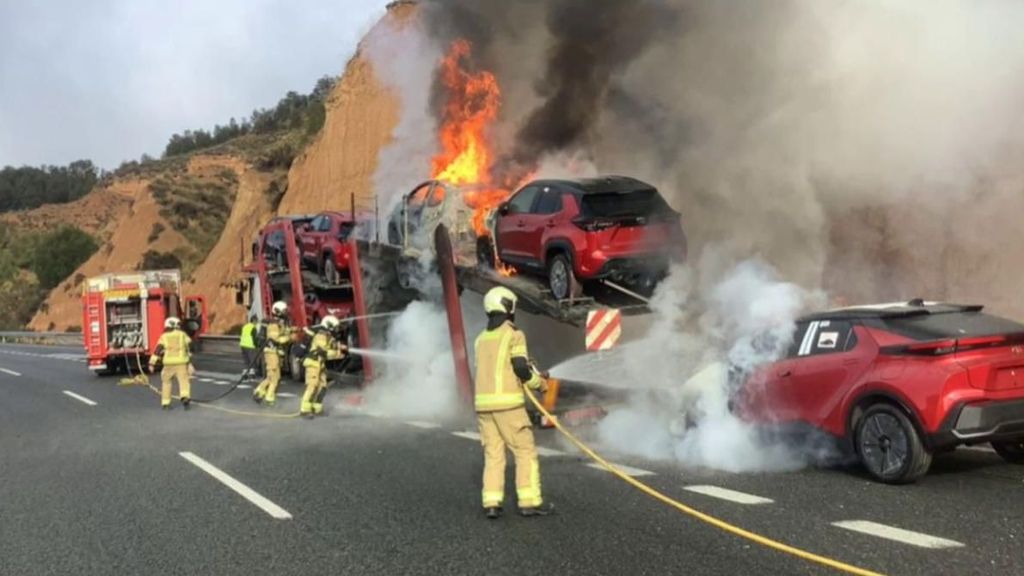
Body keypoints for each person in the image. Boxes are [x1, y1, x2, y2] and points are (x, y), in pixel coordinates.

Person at [474, 286, 553, 519]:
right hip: (508, 406)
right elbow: (520, 368)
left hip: (484, 407)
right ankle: (529, 502)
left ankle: (491, 503)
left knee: (493, 455)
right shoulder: (514, 334)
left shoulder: (481, 339)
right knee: (524, 451)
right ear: (507, 306)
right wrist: (539, 383)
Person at [301, 315, 348, 419]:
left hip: (320, 365)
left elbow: (332, 345)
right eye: (334, 328)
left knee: (322, 387)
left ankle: (317, 409)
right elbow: (323, 351)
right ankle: (304, 409)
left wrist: (341, 347)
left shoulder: (328, 336)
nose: (336, 330)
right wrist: (338, 353)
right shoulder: (320, 336)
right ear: (328, 326)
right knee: (312, 386)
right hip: (313, 363)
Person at [253, 301, 294, 406]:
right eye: (284, 311)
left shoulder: (279, 322)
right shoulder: (274, 324)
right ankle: (269, 398)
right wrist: (289, 338)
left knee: (273, 377)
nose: (286, 312)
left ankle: (259, 391)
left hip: (274, 353)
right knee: (274, 377)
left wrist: (294, 330)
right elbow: (275, 339)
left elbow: (284, 331)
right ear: (277, 311)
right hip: (271, 353)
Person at [148, 316, 194, 410]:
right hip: (181, 363)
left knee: (166, 383)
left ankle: (166, 403)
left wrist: (151, 363)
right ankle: (185, 397)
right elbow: (190, 346)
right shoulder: (182, 335)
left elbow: (158, 350)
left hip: (168, 364)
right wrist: (190, 361)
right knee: (184, 381)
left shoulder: (164, 337)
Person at [239, 315, 258, 380]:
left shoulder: (245, 326)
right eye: (256, 321)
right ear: (254, 321)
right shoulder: (253, 327)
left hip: (242, 345)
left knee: (246, 360)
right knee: (252, 360)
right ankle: (252, 374)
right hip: (250, 345)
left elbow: (241, 335)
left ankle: (244, 374)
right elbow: (254, 338)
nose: (257, 322)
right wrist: (256, 345)